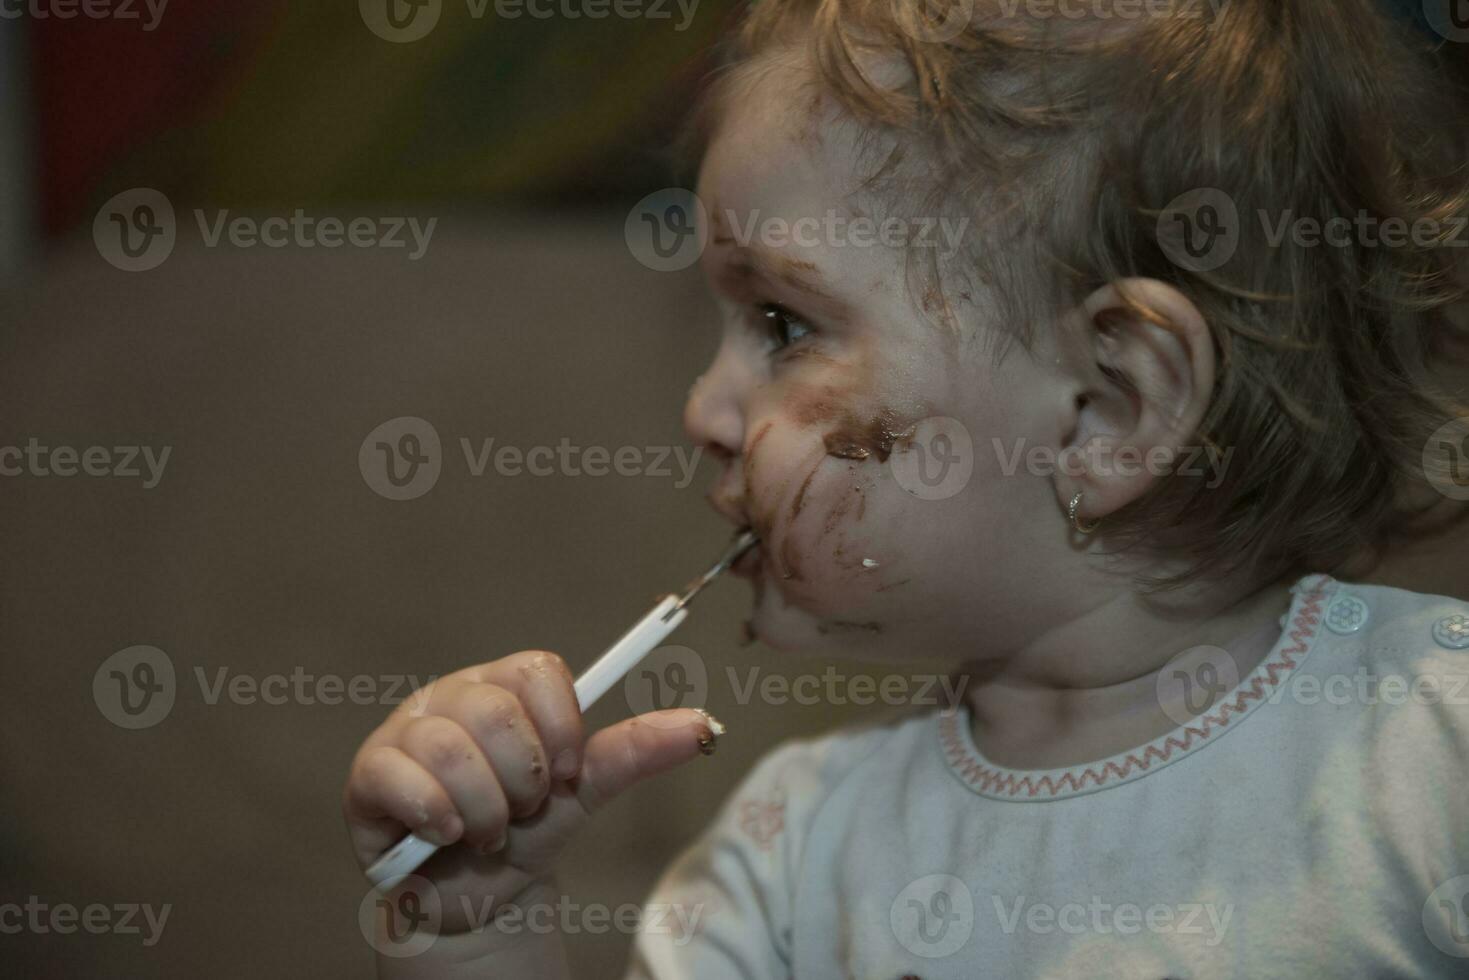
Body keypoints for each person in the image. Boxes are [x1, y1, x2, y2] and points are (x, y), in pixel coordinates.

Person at [343, 0, 1469, 975]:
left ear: (1103, 409)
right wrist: (473, 933)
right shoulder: (793, 850)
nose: (701, 409)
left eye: (783, 323)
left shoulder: (1433, 747)